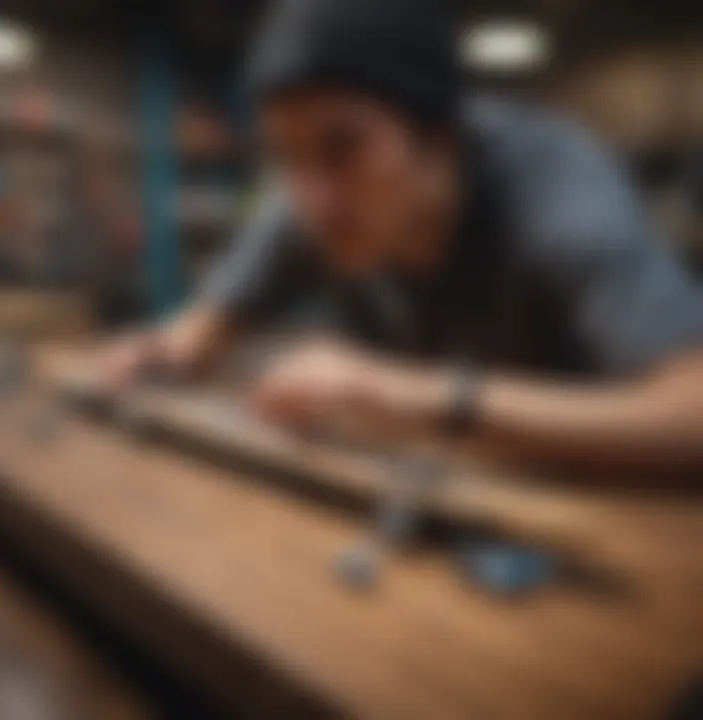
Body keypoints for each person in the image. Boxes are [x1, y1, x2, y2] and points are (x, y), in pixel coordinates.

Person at [99, 0, 703, 477]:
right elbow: (196, 335)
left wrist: (405, 394)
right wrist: (150, 357)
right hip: (441, 496)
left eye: (343, 146)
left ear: (441, 135)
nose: (311, 199)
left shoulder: (554, 186)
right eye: (285, 156)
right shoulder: (315, 199)